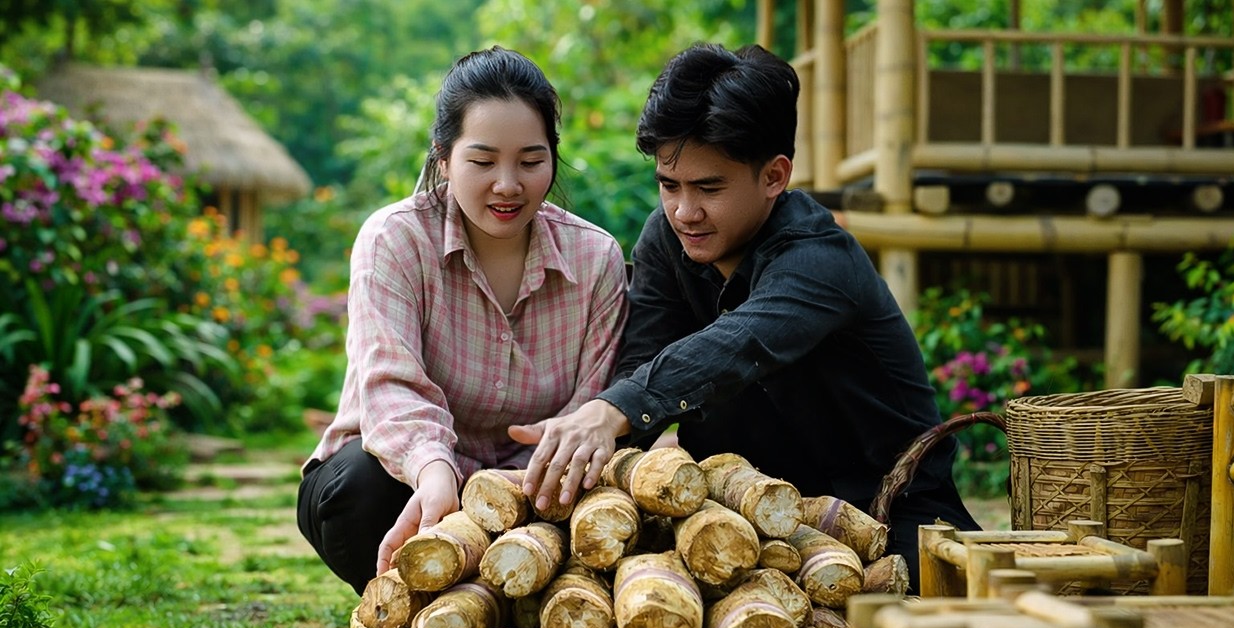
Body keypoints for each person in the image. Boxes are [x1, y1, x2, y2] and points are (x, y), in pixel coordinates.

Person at [510, 42, 978, 591]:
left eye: (710, 188)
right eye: (669, 185)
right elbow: (641, 362)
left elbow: (740, 341)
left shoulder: (821, 260)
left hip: (886, 520)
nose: (685, 211)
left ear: (775, 176)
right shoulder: (667, 242)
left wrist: (611, 409)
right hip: (748, 522)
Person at [298, 46, 629, 595]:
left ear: (553, 157)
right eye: (482, 161)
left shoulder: (595, 259)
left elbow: (586, 412)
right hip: (409, 480)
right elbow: (390, 388)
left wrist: (517, 494)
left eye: (530, 161)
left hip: (539, 491)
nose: (507, 184)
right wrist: (437, 473)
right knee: (359, 489)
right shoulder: (395, 240)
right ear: (443, 157)